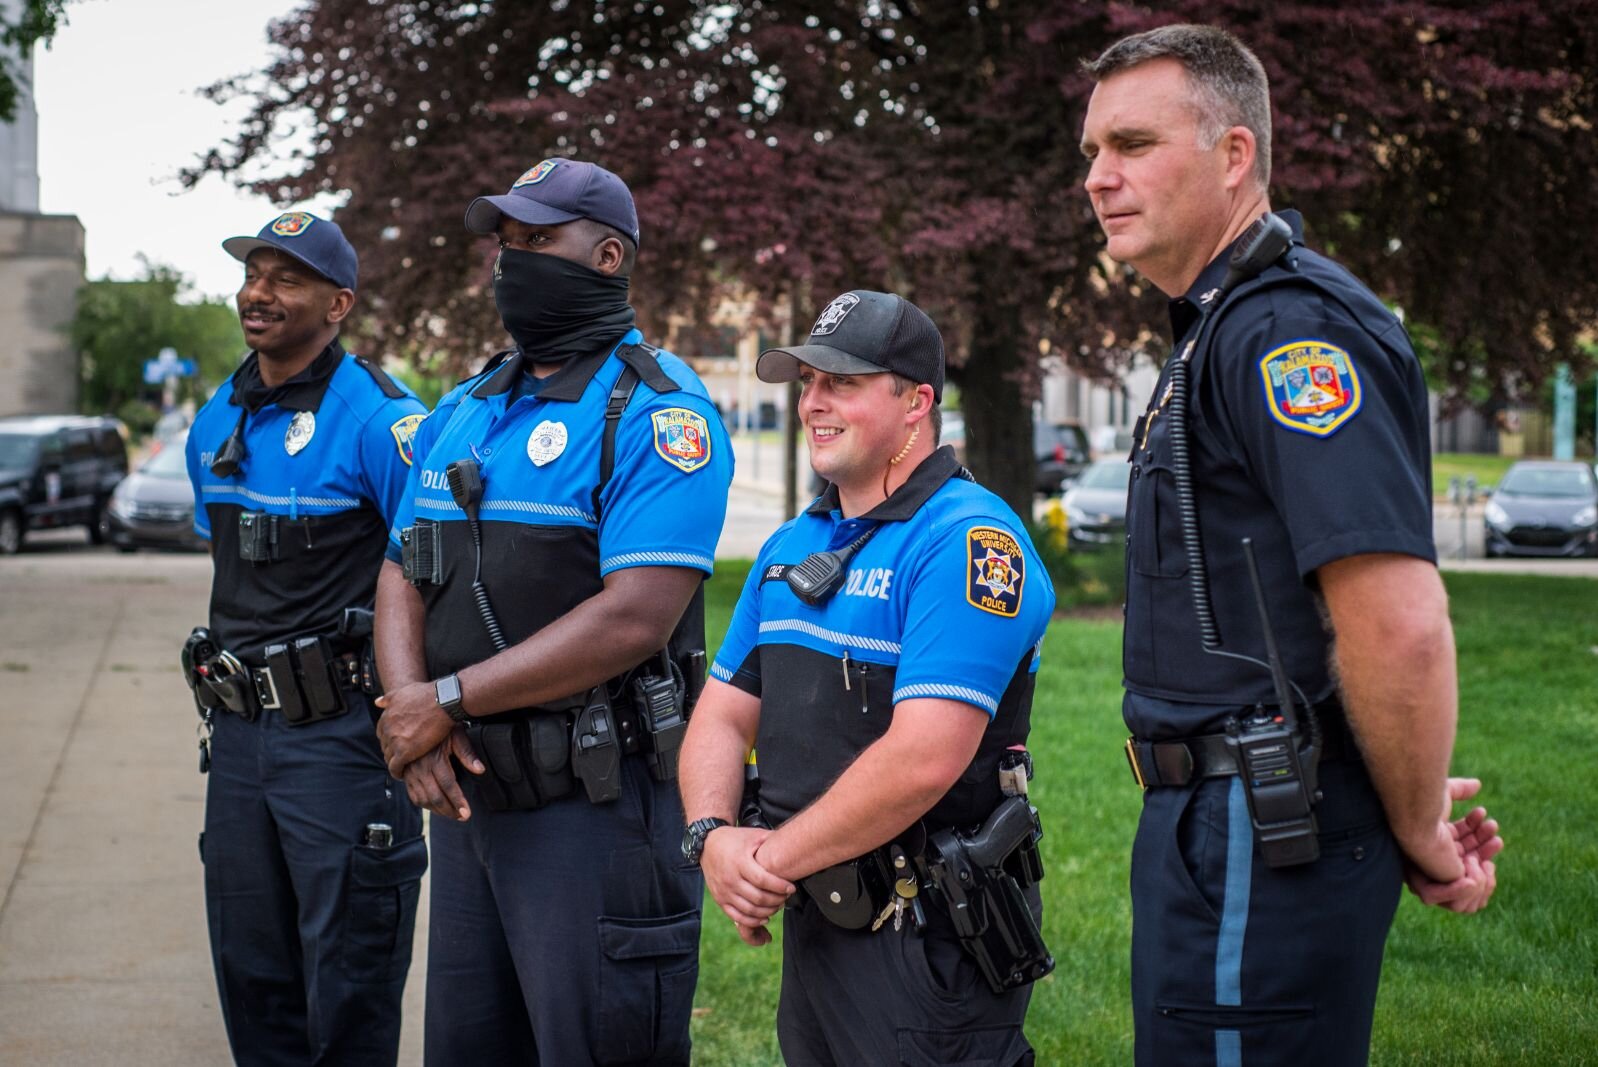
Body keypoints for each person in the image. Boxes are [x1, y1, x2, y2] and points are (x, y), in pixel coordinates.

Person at [1078, 25, 1504, 1067]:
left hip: (1259, 837)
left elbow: (1395, 621)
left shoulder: (1285, 334)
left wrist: (1411, 822)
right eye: (1090, 152)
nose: (1097, 177)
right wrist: (1394, 781)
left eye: (1131, 144)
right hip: (1226, 826)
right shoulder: (1218, 326)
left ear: (1233, 156)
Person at [372, 158, 733, 1066]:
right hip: (470, 804)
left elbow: (634, 618)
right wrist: (412, 711)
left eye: (536, 241)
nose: (509, 261)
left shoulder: (656, 413)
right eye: (504, 243)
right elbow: (400, 570)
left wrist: (443, 699)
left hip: (596, 815)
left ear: (607, 255)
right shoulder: (468, 406)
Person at [678, 290, 1057, 1066]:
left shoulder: (968, 539)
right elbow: (718, 715)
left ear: (916, 402)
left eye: (842, 382)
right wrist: (713, 836)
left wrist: (770, 861)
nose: (813, 402)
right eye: (807, 381)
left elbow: (923, 757)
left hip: (930, 939)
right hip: (818, 919)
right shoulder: (792, 545)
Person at [183, 212, 428, 1065]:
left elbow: (432, 580)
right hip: (240, 743)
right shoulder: (217, 416)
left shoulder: (384, 420)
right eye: (254, 273)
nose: (259, 292)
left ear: (338, 303)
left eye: (286, 278)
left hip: (342, 744)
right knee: (253, 982)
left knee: (349, 993)